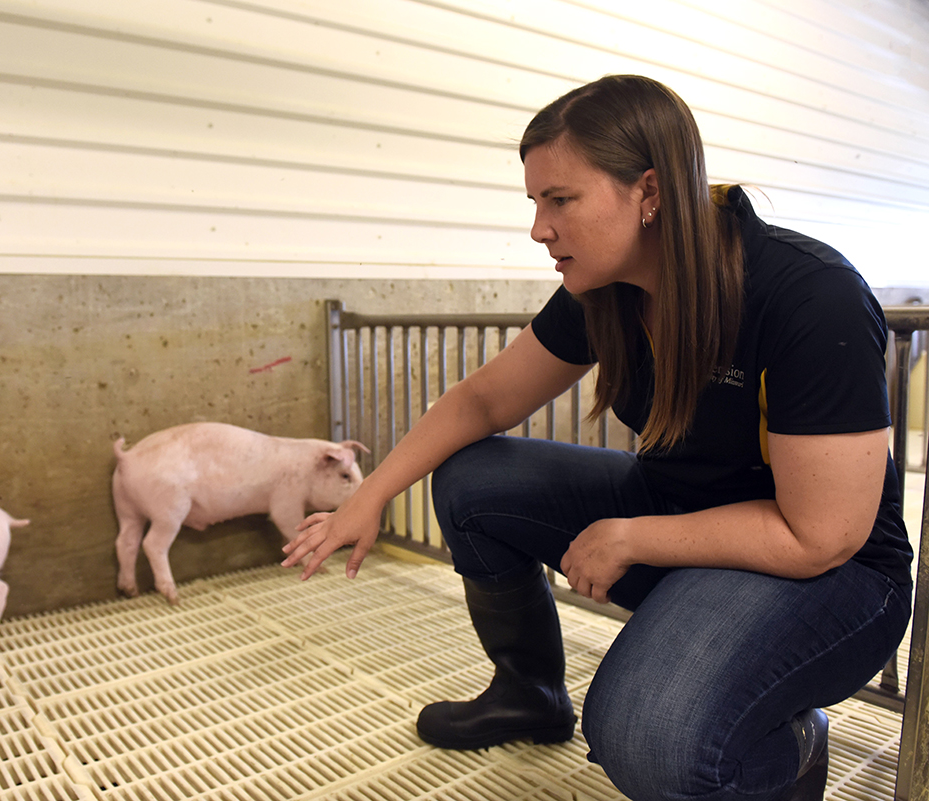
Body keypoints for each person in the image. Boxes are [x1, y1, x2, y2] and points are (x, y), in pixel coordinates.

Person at [281, 74, 913, 801]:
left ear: (649, 191)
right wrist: (376, 496)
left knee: (645, 731)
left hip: (831, 579)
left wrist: (633, 537)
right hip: (680, 514)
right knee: (472, 479)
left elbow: (822, 535)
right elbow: (484, 398)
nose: (539, 229)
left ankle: (789, 744)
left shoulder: (807, 296)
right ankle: (530, 693)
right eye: (535, 203)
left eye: (561, 200)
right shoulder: (606, 289)